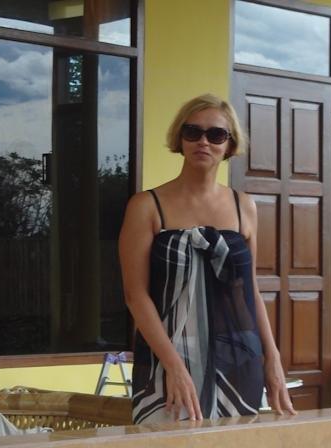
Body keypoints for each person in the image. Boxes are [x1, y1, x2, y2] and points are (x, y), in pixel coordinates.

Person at [118, 94, 296, 423]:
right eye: (193, 132)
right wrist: (174, 366)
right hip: (166, 360)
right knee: (163, 445)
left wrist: (272, 358)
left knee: (232, 447)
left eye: (216, 134)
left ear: (229, 145)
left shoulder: (245, 207)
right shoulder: (146, 206)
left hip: (237, 360)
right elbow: (135, 295)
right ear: (180, 138)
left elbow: (250, 290)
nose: (203, 141)